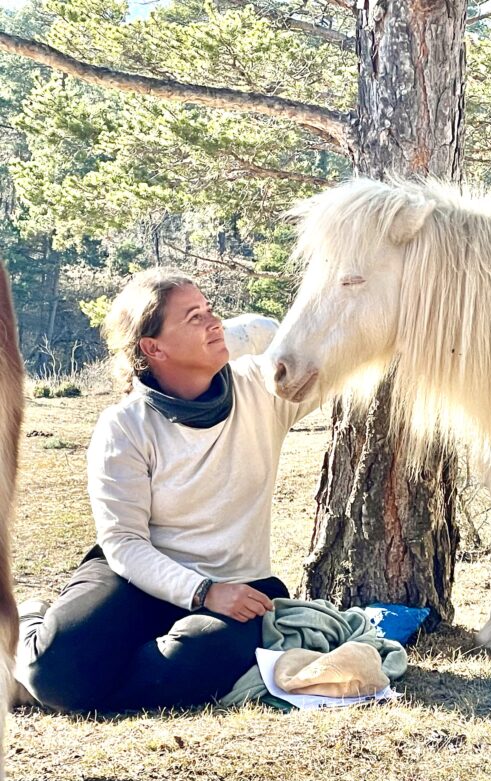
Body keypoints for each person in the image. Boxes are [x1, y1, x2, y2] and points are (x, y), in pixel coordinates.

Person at [15, 269, 312, 713]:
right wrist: (201, 592)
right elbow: (123, 543)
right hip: (134, 578)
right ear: (153, 348)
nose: (213, 322)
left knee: (193, 661)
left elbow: (272, 332)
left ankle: (90, 687)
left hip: (236, 585)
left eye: (211, 311)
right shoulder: (125, 426)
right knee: (53, 672)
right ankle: (30, 625)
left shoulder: (263, 389)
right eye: (194, 318)